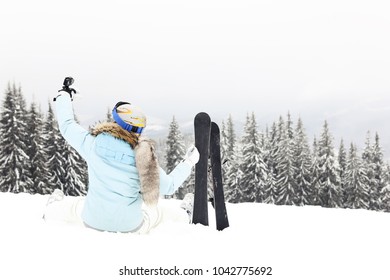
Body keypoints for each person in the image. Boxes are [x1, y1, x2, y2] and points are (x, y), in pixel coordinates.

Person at [43, 80, 199, 234]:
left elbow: (67, 126)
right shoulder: (144, 157)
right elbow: (169, 186)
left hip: (92, 221)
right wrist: (189, 162)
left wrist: (64, 96)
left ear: (115, 122)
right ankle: (185, 215)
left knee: (75, 206)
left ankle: (51, 208)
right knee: (157, 213)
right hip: (130, 227)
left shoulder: (93, 144)